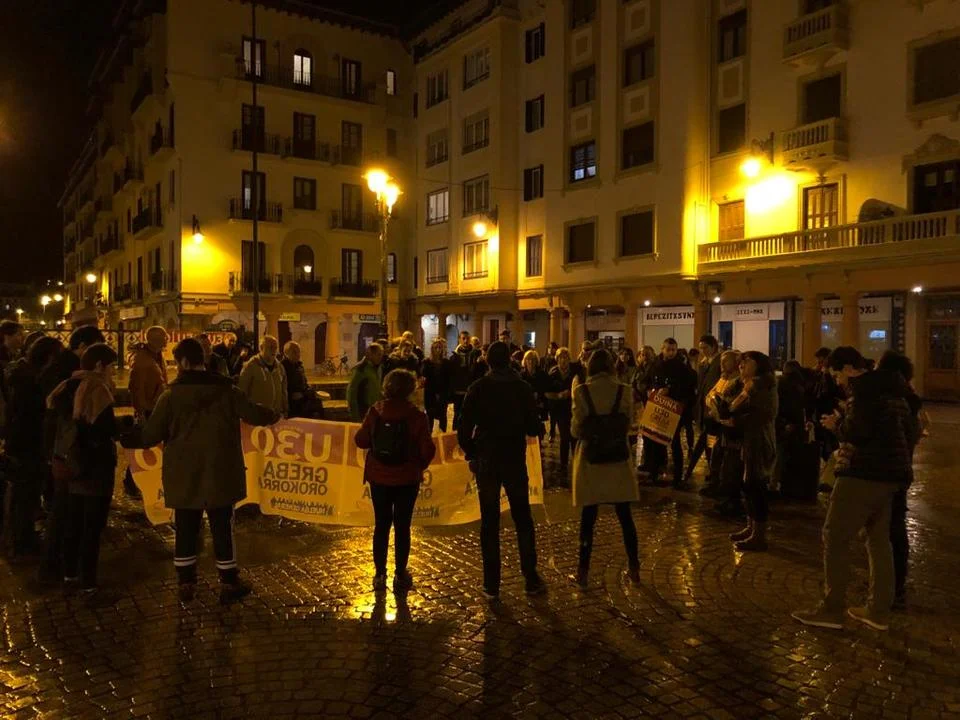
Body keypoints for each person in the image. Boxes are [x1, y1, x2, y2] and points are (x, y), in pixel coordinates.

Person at [122, 338, 281, 604]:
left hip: (183, 473)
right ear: (202, 360)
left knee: (186, 527)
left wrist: (127, 434)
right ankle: (228, 581)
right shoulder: (227, 392)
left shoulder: (170, 397)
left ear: (184, 362)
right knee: (222, 527)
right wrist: (275, 415)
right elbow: (255, 414)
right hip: (221, 470)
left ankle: (186, 582)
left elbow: (150, 435)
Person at [793, 346, 919, 631]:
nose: (838, 381)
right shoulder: (895, 390)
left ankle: (832, 608)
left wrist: (837, 424)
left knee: (835, 536)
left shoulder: (865, 391)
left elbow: (858, 433)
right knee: (878, 541)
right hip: (892, 474)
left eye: (837, 374)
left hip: (863, 472)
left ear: (849, 369)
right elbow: (907, 432)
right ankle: (878, 609)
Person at [458, 341, 546, 599]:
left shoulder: (478, 388)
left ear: (488, 361)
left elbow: (463, 427)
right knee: (523, 518)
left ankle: (491, 583)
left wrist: (472, 452)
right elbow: (533, 427)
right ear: (510, 360)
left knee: (489, 521)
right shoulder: (522, 388)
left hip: (487, 459)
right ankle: (530, 576)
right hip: (514, 458)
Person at [48, 343, 124, 598]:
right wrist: (121, 427)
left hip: (68, 464)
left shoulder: (66, 386)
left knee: (73, 522)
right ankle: (88, 582)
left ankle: (69, 574)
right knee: (92, 526)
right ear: (100, 365)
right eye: (111, 367)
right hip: (94, 467)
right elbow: (104, 429)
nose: (112, 372)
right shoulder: (97, 388)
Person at [354, 369, 436, 593]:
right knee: (402, 526)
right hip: (407, 479)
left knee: (381, 525)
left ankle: (379, 574)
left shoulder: (376, 411)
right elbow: (428, 450)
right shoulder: (417, 416)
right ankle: (400, 573)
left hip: (379, 477)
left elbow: (360, 440)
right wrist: (417, 465)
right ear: (410, 389)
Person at [38, 326, 104, 581]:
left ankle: (57, 565)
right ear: (83, 346)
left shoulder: (61, 371)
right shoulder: (72, 378)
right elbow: (73, 420)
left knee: (64, 511)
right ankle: (58, 567)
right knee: (66, 512)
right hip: (69, 454)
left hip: (60, 452)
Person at [570, 348, 639, 586]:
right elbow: (629, 423)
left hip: (591, 459)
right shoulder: (625, 390)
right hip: (618, 458)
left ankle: (583, 572)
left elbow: (575, 429)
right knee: (625, 517)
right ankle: (634, 567)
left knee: (588, 518)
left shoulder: (581, 391)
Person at [2, 337, 63, 558]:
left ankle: (21, 539)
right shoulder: (29, 384)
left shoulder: (21, 376)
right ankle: (22, 543)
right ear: (49, 358)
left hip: (19, 446)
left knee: (23, 496)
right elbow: (28, 419)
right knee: (25, 496)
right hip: (26, 447)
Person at [876, 350, 922, 610]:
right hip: (900, 471)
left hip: (892, 472)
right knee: (893, 527)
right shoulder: (909, 400)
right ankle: (892, 584)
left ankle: (893, 586)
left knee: (891, 529)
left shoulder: (898, 402)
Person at [722, 351, 778, 551]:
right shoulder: (745, 384)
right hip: (748, 440)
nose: (741, 364)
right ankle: (751, 526)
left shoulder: (763, 386)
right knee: (748, 485)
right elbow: (729, 401)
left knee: (756, 485)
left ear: (759, 365)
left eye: (747, 361)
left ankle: (759, 535)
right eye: (741, 361)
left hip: (759, 441)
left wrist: (735, 420)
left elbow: (762, 414)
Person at [642, 338, 696, 489]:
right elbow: (646, 381)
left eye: (673, 350)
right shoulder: (655, 365)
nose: (671, 353)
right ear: (662, 349)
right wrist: (649, 391)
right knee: (655, 441)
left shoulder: (681, 367)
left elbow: (688, 388)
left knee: (675, 443)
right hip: (657, 407)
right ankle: (654, 473)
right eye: (668, 349)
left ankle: (677, 477)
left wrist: (670, 390)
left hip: (673, 409)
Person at [127, 326, 169, 499]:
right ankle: (132, 482)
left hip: (156, 407)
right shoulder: (143, 361)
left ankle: (140, 480)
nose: (167, 339)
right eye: (164, 337)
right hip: (149, 409)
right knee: (145, 445)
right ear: (155, 340)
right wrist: (141, 411)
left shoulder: (156, 356)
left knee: (152, 444)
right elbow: (136, 389)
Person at [706, 350, 744, 517]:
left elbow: (730, 405)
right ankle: (719, 488)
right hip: (720, 427)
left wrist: (720, 407)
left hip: (732, 430)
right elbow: (710, 396)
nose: (722, 365)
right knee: (718, 458)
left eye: (725, 361)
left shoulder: (739, 383)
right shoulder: (723, 379)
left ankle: (730, 499)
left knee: (730, 465)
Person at [685, 335, 723, 488]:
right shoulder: (704, 363)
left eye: (705, 347)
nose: (702, 350)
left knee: (709, 440)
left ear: (713, 347)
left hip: (712, 409)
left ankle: (712, 472)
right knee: (708, 441)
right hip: (703, 408)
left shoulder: (719, 362)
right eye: (700, 348)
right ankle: (712, 470)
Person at [545, 347, 577, 474]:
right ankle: (564, 463)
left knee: (574, 436)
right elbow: (547, 392)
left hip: (572, 408)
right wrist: (558, 395)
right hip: (559, 409)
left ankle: (576, 461)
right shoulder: (553, 374)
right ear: (557, 359)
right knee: (564, 436)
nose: (563, 360)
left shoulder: (574, 373)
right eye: (561, 358)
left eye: (565, 357)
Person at [238, 335, 288, 417]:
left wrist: (285, 410)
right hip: (257, 416)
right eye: (270, 347)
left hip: (276, 415)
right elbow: (242, 391)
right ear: (261, 348)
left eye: (275, 348)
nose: (274, 350)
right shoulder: (250, 366)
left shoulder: (280, 367)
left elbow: (284, 391)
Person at [281, 341, 323, 419]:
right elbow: (285, 388)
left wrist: (308, 390)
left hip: (303, 397)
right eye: (294, 352)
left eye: (299, 352)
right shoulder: (282, 367)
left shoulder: (299, 366)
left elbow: (304, 383)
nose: (298, 354)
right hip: (293, 404)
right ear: (286, 353)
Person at [421, 339, 453, 433]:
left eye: (440, 347)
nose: (438, 350)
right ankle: (429, 436)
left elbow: (449, 378)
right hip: (430, 392)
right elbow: (423, 375)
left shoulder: (446, 362)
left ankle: (443, 435)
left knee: (443, 415)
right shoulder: (427, 362)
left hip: (442, 392)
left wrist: (448, 392)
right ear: (432, 349)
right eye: (436, 348)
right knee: (430, 416)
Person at [348, 343, 384, 422]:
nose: (380, 357)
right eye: (378, 354)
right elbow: (352, 392)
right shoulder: (361, 369)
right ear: (370, 355)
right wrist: (355, 416)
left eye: (381, 355)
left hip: (374, 410)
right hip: (363, 410)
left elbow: (376, 388)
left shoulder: (378, 368)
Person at [520, 350, 549, 432]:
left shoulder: (542, 374)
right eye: (528, 359)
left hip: (539, 406)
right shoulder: (521, 375)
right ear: (525, 361)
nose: (530, 362)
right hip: (526, 406)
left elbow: (546, 389)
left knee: (538, 429)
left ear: (536, 361)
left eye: (533, 359)